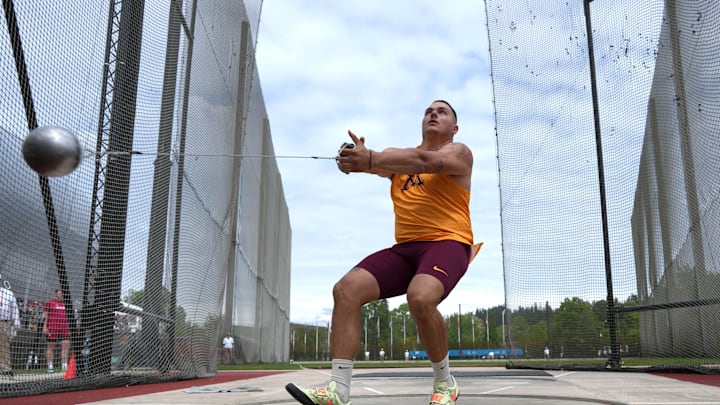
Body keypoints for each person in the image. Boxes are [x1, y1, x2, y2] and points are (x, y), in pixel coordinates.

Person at [285, 100, 481, 405]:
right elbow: (380, 163)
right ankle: (338, 389)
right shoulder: (397, 160)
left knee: (419, 297)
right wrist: (356, 160)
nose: (433, 114)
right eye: (429, 110)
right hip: (406, 249)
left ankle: (445, 383)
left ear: (454, 128)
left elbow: (423, 161)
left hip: (448, 243)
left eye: (442, 112)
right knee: (346, 289)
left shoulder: (460, 153)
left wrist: (373, 158)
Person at [42, 289, 71, 373]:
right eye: (60, 292)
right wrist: (44, 327)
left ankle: (64, 366)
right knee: (50, 347)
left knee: (65, 347)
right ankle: (50, 366)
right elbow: (45, 316)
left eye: (63, 293)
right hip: (52, 328)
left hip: (65, 328)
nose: (62, 294)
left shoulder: (68, 303)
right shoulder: (50, 302)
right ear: (56, 293)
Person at [0, 274, 20, 377]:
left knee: (4, 346)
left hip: (4, 322)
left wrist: (15, 325)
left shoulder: (8, 293)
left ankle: (5, 369)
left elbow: (14, 309)